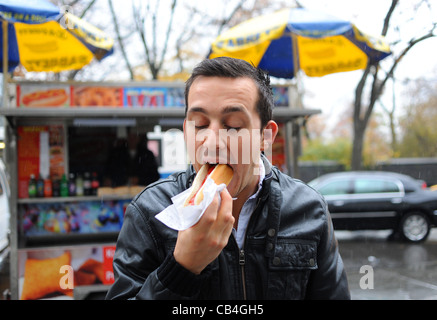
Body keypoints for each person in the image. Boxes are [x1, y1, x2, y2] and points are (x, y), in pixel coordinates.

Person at [106, 57, 350, 300]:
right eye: (200, 125)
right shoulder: (149, 211)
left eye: (233, 126)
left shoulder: (309, 208)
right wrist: (182, 267)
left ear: (266, 136)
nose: (212, 142)